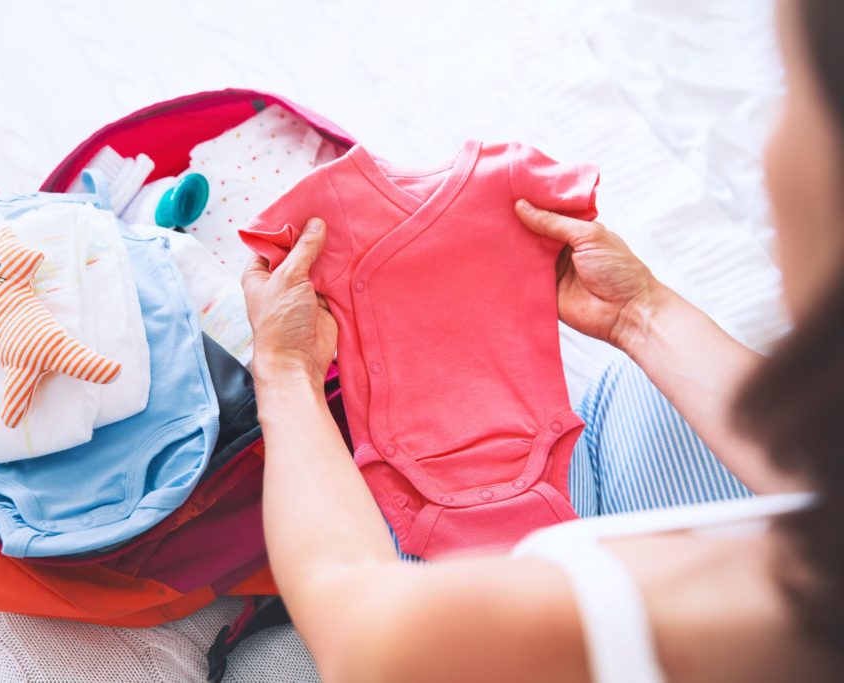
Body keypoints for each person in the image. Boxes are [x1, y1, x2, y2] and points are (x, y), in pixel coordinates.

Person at [239, 0, 843, 679]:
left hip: (458, 609)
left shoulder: (656, 616)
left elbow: (361, 620)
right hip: (532, 496)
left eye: (793, 96)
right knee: (637, 385)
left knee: (263, 662)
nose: (767, 153)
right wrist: (639, 311)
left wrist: (284, 371)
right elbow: (812, 458)